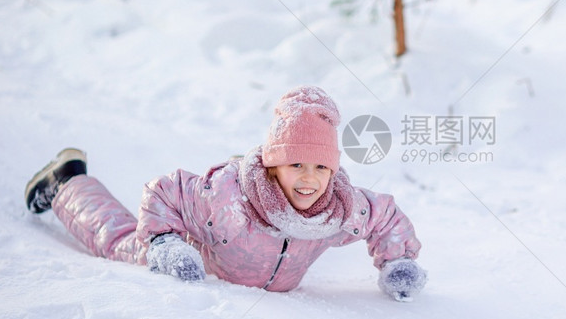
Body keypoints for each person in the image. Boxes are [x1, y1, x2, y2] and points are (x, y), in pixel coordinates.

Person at [24, 86, 427, 302]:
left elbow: (384, 217)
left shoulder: (336, 211)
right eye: (296, 166)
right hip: (198, 251)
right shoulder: (226, 198)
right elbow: (166, 191)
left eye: (321, 167)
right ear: (273, 165)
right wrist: (164, 243)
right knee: (118, 242)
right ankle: (67, 181)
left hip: (255, 252)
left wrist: (398, 264)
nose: (309, 179)